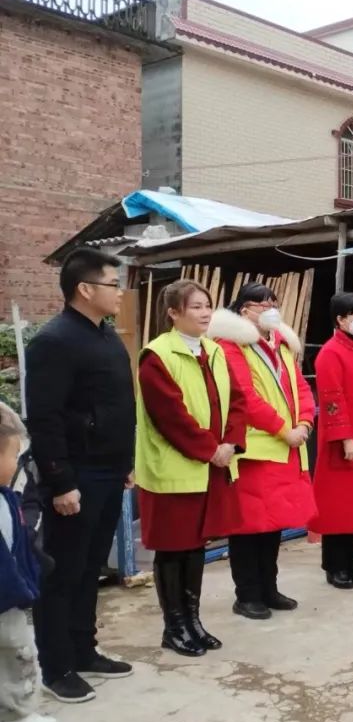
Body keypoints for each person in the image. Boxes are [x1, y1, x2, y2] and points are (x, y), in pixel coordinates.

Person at [27, 248, 135, 704]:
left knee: (91, 568)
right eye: (114, 283)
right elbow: (46, 418)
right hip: (77, 475)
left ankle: (84, 649)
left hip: (110, 470)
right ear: (85, 289)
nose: (121, 292)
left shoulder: (106, 336)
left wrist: (126, 462)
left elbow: (117, 405)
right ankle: (56, 666)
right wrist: (60, 481)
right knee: (64, 572)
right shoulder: (54, 341)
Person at [135, 280, 246, 656]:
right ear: (173, 313)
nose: (204, 313)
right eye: (196, 306)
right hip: (173, 472)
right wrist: (210, 449)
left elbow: (238, 401)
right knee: (172, 548)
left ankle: (193, 620)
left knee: (196, 546)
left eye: (207, 306)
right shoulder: (156, 356)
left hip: (209, 467)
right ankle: (174, 626)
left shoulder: (214, 351)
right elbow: (170, 416)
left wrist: (231, 442)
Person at [206, 283, 317, 620]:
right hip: (254, 451)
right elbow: (245, 396)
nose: (271, 307)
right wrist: (285, 430)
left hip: (285, 448)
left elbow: (301, 387)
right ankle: (248, 594)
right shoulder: (230, 346)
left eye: (274, 301)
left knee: (273, 525)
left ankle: (269, 588)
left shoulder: (281, 344)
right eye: (262, 303)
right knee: (249, 527)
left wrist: (305, 423)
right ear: (244, 310)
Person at [311, 293, 353, 590]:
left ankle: (352, 561)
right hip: (343, 438)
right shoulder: (330, 353)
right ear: (340, 320)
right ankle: (334, 564)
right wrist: (345, 438)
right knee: (337, 504)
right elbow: (331, 401)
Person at [0, 403, 54, 722]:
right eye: (12, 455)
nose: (16, 463)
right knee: (18, 654)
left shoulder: (9, 497)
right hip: (7, 599)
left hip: (13, 594)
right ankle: (16, 714)